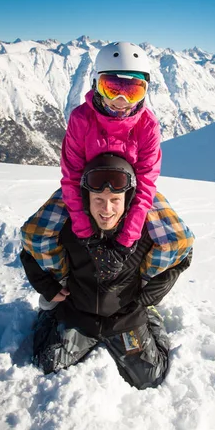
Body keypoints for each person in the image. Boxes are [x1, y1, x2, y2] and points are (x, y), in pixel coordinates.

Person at [20, 154, 194, 390]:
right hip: (79, 313)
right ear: (86, 198)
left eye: (115, 199)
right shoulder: (69, 227)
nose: (107, 208)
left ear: (128, 199)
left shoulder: (146, 231)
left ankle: (151, 318)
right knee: (48, 363)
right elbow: (29, 252)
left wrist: (150, 296)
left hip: (125, 318)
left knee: (150, 376)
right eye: (98, 199)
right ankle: (50, 316)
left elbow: (182, 257)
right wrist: (48, 288)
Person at [61, 42, 161, 274]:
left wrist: (126, 242)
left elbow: (147, 183)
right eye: (112, 88)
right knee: (36, 234)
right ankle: (53, 297)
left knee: (178, 239)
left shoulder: (148, 125)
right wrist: (86, 234)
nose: (121, 100)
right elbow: (71, 176)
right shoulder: (81, 119)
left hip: (132, 193)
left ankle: (146, 292)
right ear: (96, 85)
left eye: (133, 91)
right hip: (86, 189)